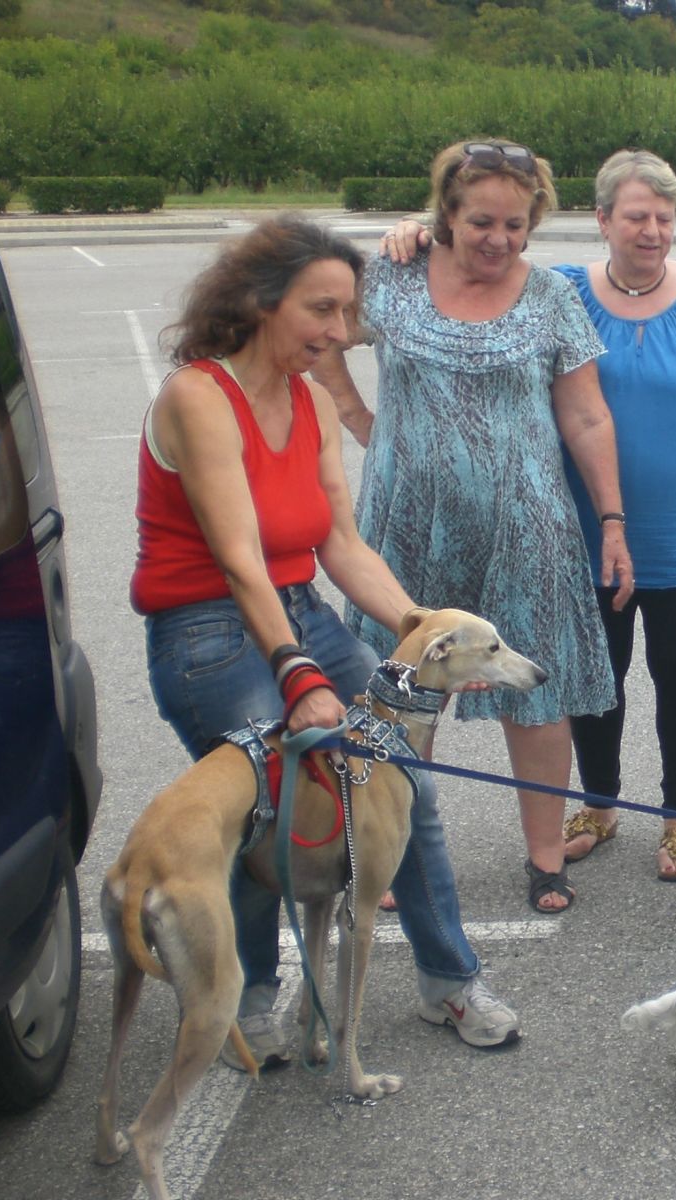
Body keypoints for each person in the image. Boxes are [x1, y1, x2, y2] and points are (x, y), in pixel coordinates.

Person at [132, 214, 519, 1068]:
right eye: (321, 310)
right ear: (258, 302)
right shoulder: (199, 396)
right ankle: (251, 998)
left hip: (300, 609)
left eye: (348, 313)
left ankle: (449, 979)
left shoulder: (307, 400)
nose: (340, 333)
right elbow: (239, 560)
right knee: (265, 806)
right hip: (206, 628)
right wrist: (298, 674)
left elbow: (342, 545)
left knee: (403, 784)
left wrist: (423, 630)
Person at [383, 148, 676, 884]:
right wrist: (417, 233)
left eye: (664, 217)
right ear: (602, 220)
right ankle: (598, 803)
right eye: (637, 216)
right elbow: (476, 266)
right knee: (594, 678)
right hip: (580, 527)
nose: (652, 231)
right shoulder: (560, 291)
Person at [315, 139, 631, 916]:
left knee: (534, 699)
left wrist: (612, 520)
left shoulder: (552, 296)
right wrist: (355, 414)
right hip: (404, 528)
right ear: (446, 216)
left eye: (515, 225)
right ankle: (391, 855)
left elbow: (587, 416)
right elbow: (316, 337)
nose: (499, 238)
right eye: (482, 221)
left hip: (526, 531)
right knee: (401, 691)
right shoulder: (390, 276)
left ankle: (546, 858)